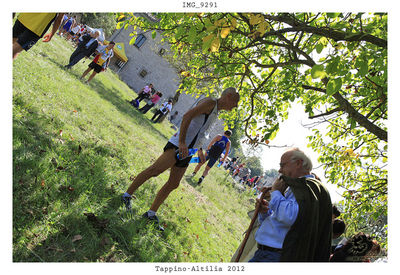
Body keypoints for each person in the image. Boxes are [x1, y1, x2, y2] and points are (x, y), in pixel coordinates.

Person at [121, 87, 240, 231]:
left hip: (188, 151)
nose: (235, 106)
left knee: (173, 183)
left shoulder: (216, 111)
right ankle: (126, 196)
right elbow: (187, 116)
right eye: (235, 102)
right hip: (178, 145)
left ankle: (150, 214)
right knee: (154, 170)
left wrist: (199, 152)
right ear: (228, 96)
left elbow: (200, 132)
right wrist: (182, 142)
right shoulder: (210, 103)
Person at [248, 147, 332, 262]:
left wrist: (276, 192)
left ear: (298, 163)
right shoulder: (295, 187)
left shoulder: (308, 188)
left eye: (283, 165)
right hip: (267, 253)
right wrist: (265, 212)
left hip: (276, 257)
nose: (280, 170)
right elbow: (279, 222)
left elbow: (290, 217)